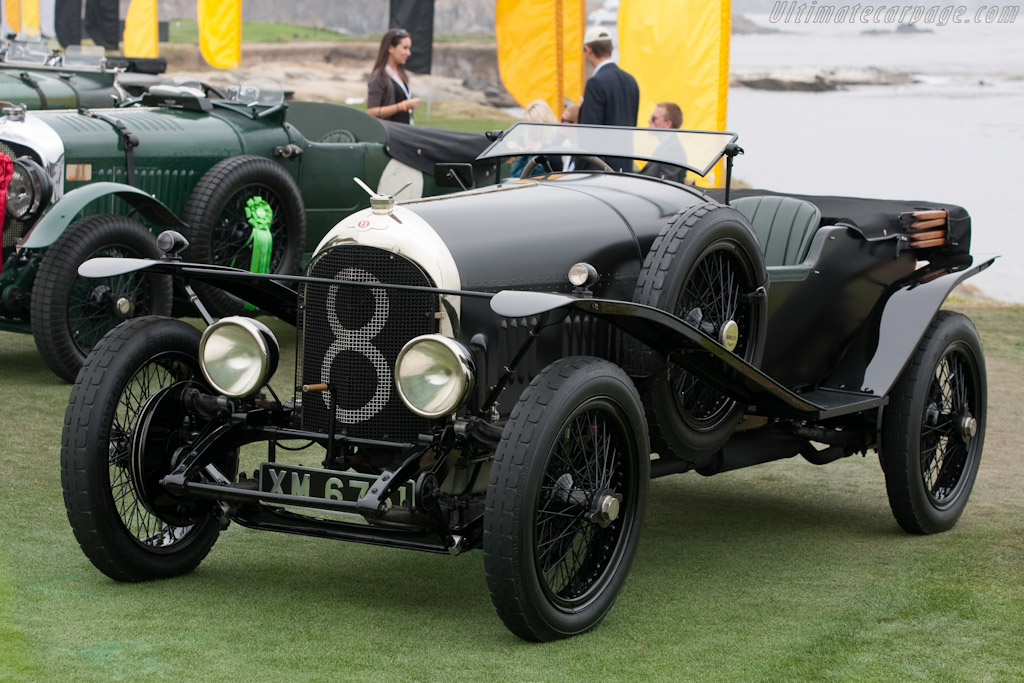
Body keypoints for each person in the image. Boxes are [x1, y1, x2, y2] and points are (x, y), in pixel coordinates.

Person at [578, 26, 639, 171]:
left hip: (601, 170)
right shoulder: (631, 81)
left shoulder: (595, 83)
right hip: (625, 167)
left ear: (589, 50)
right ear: (611, 48)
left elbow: (589, 133)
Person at [367, 28, 421, 124]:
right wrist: (402, 106)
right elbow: (371, 112)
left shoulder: (401, 74)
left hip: (404, 131)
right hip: (390, 134)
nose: (408, 53)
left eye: (409, 48)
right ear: (391, 48)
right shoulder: (379, 77)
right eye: (405, 48)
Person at [641, 101, 692, 184]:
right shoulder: (666, 146)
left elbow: (667, 185)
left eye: (654, 118)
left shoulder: (674, 149)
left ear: (668, 124)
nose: (649, 120)